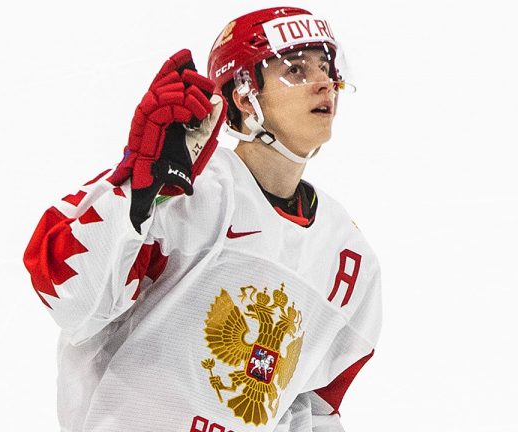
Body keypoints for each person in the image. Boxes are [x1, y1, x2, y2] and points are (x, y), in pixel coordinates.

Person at [23, 6, 382, 432]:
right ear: (245, 96)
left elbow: (314, 409)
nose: (323, 82)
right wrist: (137, 190)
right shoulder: (186, 191)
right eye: (296, 69)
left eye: (325, 66)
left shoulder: (347, 256)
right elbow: (71, 300)